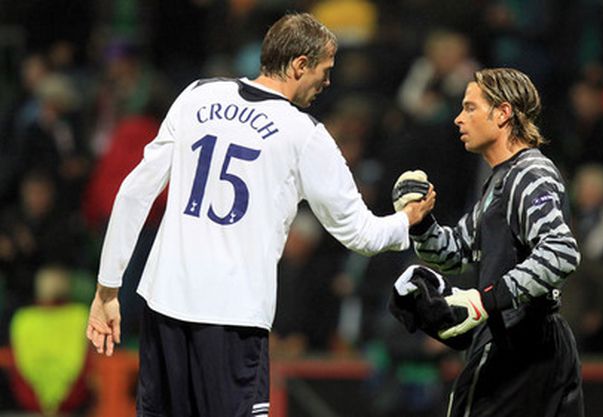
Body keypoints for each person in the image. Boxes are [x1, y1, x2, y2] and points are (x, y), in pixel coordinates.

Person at [85, 12, 435, 417]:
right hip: (232, 317)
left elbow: (132, 193)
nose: (328, 82)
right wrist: (407, 220)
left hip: (163, 305)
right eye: (325, 70)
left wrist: (107, 289)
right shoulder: (303, 134)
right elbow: (360, 234)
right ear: (300, 64)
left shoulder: (196, 94)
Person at [398, 68, 584, 416]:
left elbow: (561, 251)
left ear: (502, 113)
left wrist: (486, 301)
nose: (458, 119)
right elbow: (454, 253)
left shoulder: (529, 173)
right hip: (530, 343)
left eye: (469, 108)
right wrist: (420, 221)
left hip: (518, 343)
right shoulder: (502, 178)